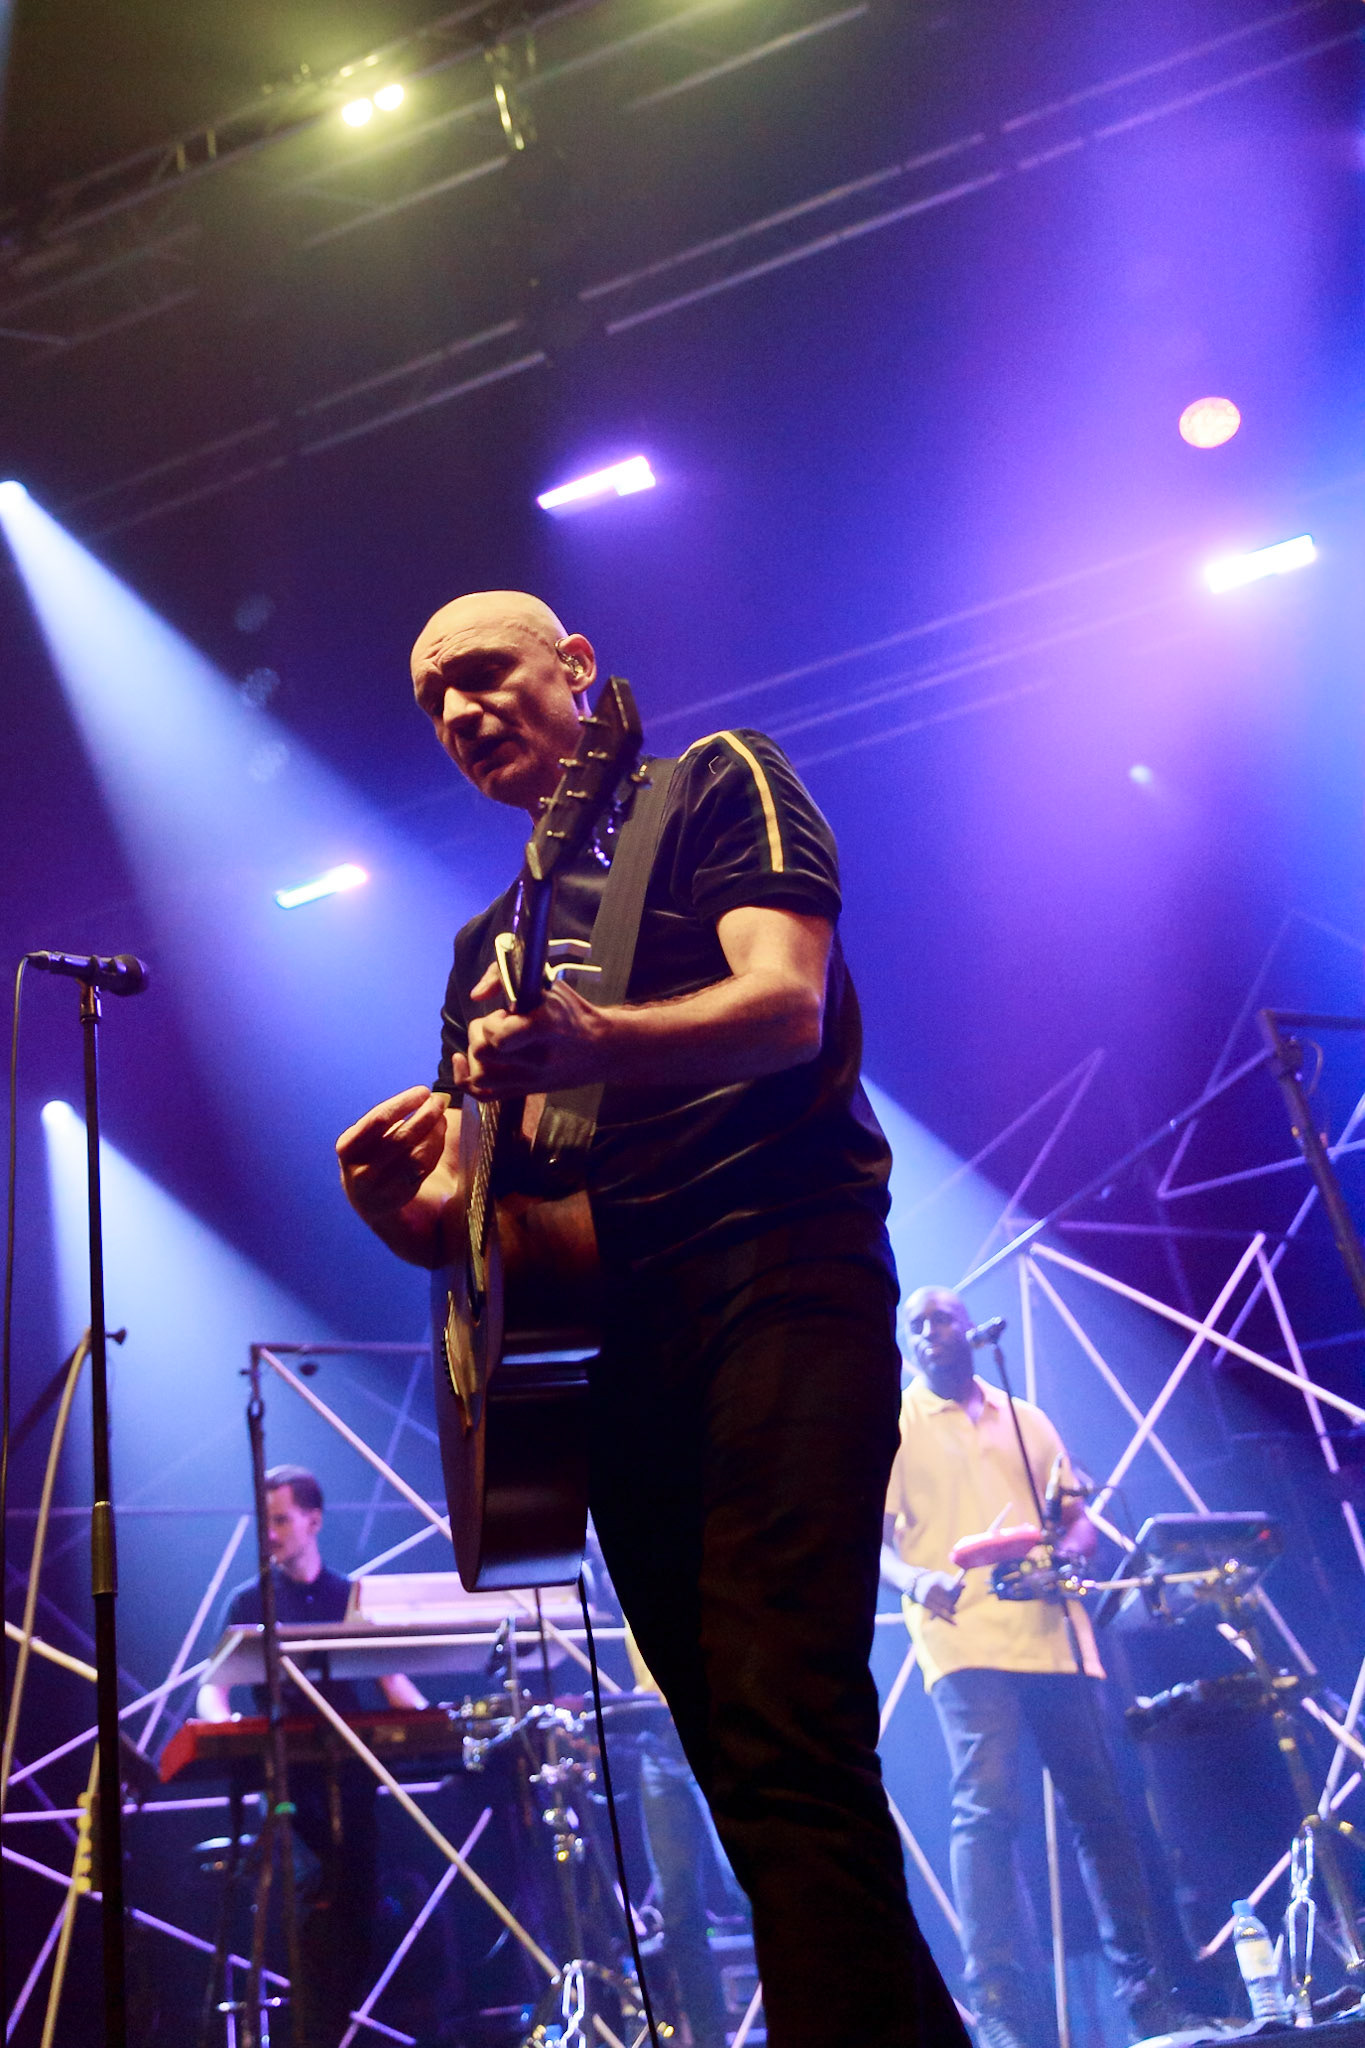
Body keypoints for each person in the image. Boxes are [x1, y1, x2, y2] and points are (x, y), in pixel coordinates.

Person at [335, 591, 968, 2048]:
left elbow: (784, 1005)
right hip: (613, 1351)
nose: (458, 716)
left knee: (780, 1706)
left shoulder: (711, 786)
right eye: (433, 704)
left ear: (579, 668)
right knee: (743, 1751)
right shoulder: (484, 951)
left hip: (776, 1270)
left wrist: (600, 1036)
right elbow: (499, 1223)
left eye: (483, 676)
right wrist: (404, 1217)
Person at [881, 1287, 1188, 2048]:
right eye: (913, 1326)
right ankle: (998, 2015)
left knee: (1102, 1811)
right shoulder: (892, 1424)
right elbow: (872, 1540)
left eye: (939, 1320)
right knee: (986, 1813)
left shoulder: (1027, 1418)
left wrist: (1068, 1552)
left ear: (968, 1330)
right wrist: (919, 1581)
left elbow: (1074, 1519)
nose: (927, 1334)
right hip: (961, 1639)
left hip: (1054, 1632)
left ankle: (1150, 2003)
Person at [198, 1465, 426, 2047]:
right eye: (266, 1521)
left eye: (280, 1520)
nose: (270, 1533)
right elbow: (213, 1686)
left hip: (352, 1779)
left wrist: (439, 1727)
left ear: (314, 1521)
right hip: (289, 1786)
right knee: (313, 1917)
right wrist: (226, 1728)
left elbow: (392, 1682)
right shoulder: (250, 1600)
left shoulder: (347, 1595)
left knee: (358, 1920)